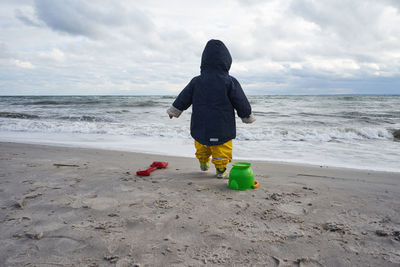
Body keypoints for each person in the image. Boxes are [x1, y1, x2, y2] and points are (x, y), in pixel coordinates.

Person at [167, 39, 255, 178]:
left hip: (200, 124)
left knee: (201, 144)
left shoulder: (197, 81)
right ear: (227, 61)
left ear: (204, 61)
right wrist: (246, 116)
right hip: (222, 125)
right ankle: (220, 170)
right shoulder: (230, 81)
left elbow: (184, 97)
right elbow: (240, 100)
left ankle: (203, 162)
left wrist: (174, 111)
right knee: (222, 147)